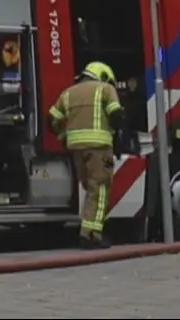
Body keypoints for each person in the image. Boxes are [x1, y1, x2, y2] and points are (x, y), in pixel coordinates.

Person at [49, 61, 125, 249]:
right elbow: (117, 117)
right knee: (100, 188)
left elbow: (51, 119)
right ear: (104, 76)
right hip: (99, 147)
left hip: (76, 148)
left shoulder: (68, 93)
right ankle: (91, 234)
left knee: (89, 188)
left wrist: (63, 135)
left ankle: (88, 230)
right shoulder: (106, 89)